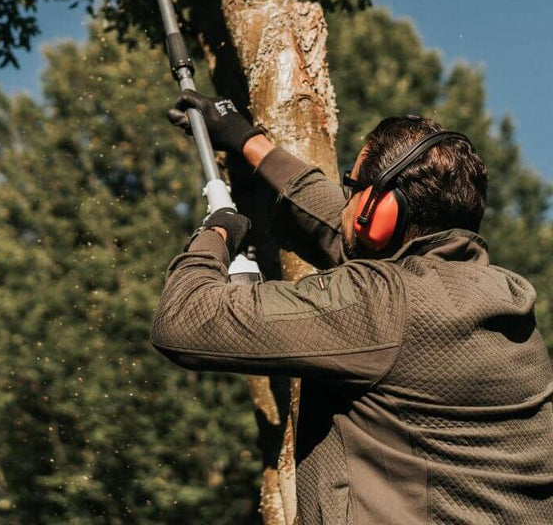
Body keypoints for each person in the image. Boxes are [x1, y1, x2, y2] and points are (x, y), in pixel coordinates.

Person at [153, 90, 553, 524]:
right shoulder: (504, 299)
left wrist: (216, 233)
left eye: (353, 187)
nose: (346, 202)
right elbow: (340, 228)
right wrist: (247, 140)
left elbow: (186, 317)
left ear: (381, 211)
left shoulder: (385, 303)